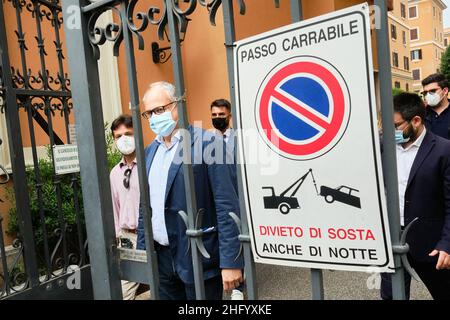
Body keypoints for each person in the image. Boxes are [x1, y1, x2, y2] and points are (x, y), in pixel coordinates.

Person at [137, 81, 244, 300]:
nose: (155, 117)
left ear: (176, 105)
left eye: (159, 109)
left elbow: (227, 205)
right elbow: (145, 207)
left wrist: (231, 261)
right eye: (149, 113)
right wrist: (141, 256)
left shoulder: (208, 143)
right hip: (162, 261)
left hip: (199, 258)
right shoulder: (150, 152)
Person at [380, 92, 450, 300]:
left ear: (416, 121)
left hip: (431, 247)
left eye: (395, 126)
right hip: (392, 241)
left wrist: (446, 244)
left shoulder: (443, 151)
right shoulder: (383, 147)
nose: (389, 132)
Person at [210, 98, 244, 300]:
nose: (217, 119)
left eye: (221, 115)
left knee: (239, 236)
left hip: (238, 194)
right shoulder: (206, 140)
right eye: (214, 115)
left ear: (229, 116)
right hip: (218, 198)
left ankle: (240, 286)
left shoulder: (239, 139)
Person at [109, 114, 141, 300]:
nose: (123, 139)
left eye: (128, 133)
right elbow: (114, 208)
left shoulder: (148, 165)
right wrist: (118, 237)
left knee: (163, 285)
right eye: (118, 136)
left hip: (151, 236)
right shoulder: (114, 173)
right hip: (128, 237)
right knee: (124, 292)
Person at [421, 73, 450, 139]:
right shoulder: (421, 113)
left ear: (445, 91)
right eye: (426, 93)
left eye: (433, 91)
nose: (428, 95)